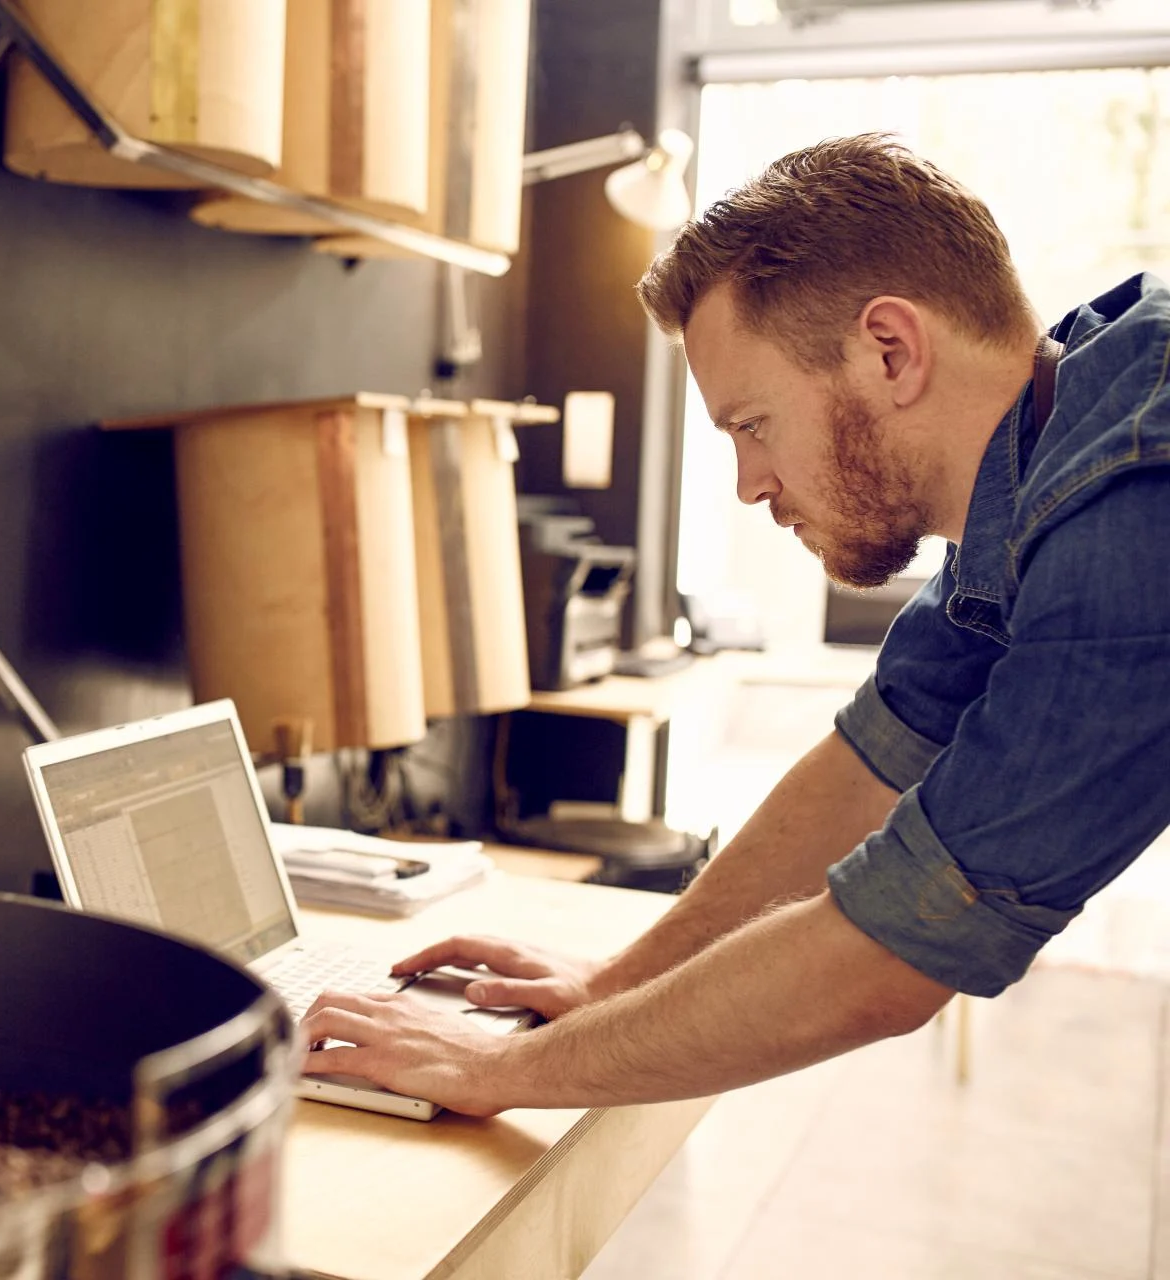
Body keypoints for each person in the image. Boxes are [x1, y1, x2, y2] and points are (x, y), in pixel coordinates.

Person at [300, 133, 1170, 1116]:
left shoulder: (1131, 507)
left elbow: (899, 947)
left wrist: (494, 1069)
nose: (752, 483)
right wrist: (611, 981)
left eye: (751, 424)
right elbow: (873, 757)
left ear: (892, 349)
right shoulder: (1061, 421)